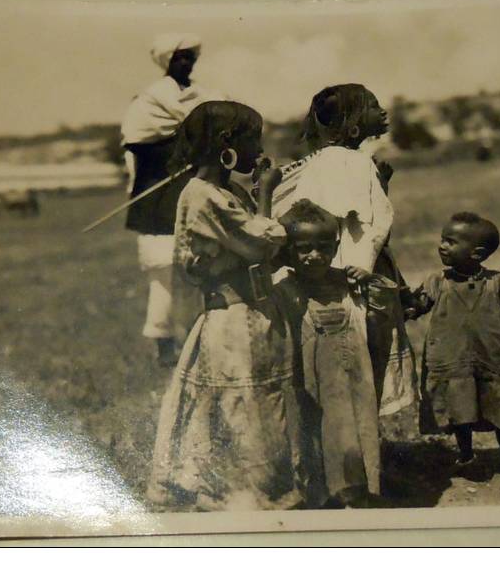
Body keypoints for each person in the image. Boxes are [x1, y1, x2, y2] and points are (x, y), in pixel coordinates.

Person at [146, 101, 303, 511]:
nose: (259, 147)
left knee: (256, 402)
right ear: (226, 143)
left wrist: (254, 195)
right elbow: (260, 245)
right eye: (254, 138)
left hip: (249, 313)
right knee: (241, 405)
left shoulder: (223, 192)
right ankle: (241, 493)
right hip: (232, 320)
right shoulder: (201, 197)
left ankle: (253, 487)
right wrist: (265, 193)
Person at [272, 83, 415, 417]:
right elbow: (360, 226)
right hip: (354, 275)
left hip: (334, 271)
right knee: (362, 358)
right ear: (352, 124)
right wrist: (364, 275)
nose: (382, 112)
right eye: (373, 106)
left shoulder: (330, 161)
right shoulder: (350, 162)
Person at [407, 212, 500, 476]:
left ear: (476, 253)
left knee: (498, 404)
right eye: (443, 239)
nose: (442, 245)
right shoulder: (437, 282)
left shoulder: (497, 282)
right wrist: (406, 306)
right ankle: (466, 455)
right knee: (459, 408)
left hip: (489, 358)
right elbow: (418, 305)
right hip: (451, 361)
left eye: (451, 241)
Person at [274, 199, 396, 507]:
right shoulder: (286, 288)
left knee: (355, 431)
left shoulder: (347, 282)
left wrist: (370, 282)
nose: (315, 256)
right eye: (304, 248)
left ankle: (357, 492)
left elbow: (384, 307)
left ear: (336, 245)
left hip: (352, 379)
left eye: (324, 247)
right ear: (289, 250)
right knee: (313, 433)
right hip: (311, 385)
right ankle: (318, 496)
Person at [120, 33, 209, 366]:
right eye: (178, 57)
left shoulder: (203, 95)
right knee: (163, 272)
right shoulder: (149, 101)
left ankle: (196, 340)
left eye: (189, 56)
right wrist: (176, 151)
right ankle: (163, 343)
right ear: (166, 61)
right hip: (158, 192)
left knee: (196, 268)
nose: (185, 62)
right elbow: (137, 143)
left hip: (192, 191)